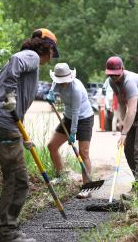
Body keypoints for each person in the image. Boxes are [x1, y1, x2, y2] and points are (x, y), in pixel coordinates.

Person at [0, 28, 59, 242]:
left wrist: (23, 135)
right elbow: (15, 62)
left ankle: (3, 230)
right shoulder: (31, 56)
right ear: (48, 48)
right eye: (53, 52)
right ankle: (7, 232)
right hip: (2, 123)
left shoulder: (30, 64)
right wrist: (10, 95)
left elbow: (17, 107)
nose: (52, 58)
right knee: (18, 180)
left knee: (14, 178)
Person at [105, 56, 138, 186]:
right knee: (128, 149)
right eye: (111, 75)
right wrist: (124, 123)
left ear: (122, 70)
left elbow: (132, 109)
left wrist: (124, 133)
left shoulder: (129, 82)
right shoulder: (112, 82)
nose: (114, 78)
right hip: (136, 113)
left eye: (116, 75)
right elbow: (123, 104)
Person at [45, 63, 94, 199]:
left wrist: (72, 133)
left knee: (83, 153)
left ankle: (87, 187)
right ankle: (61, 175)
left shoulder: (76, 89)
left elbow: (76, 113)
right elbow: (54, 83)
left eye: (64, 81)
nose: (62, 83)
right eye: (60, 80)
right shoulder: (57, 82)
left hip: (83, 118)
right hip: (67, 117)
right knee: (52, 146)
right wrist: (50, 93)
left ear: (70, 77)